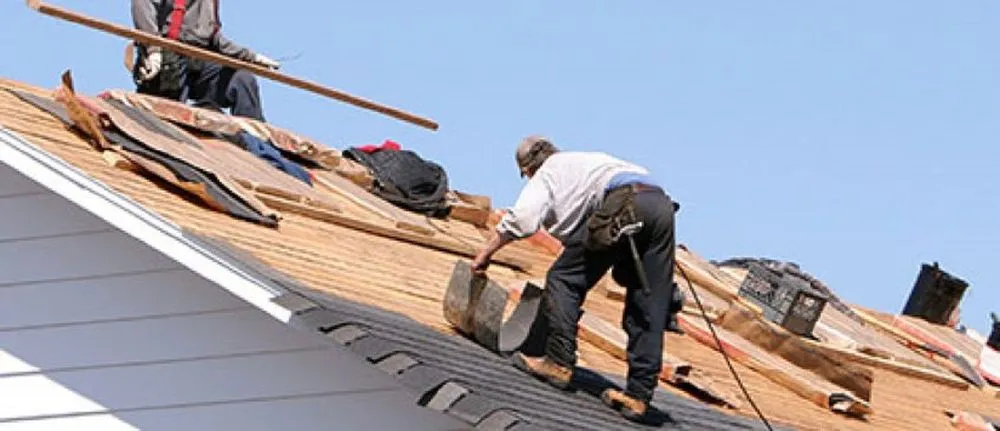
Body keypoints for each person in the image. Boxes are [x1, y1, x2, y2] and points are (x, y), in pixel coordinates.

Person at [472, 135, 678, 422]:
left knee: (564, 279)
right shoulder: (585, 163)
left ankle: (558, 361)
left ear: (530, 168)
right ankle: (638, 395)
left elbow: (524, 219)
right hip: (660, 205)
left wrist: (486, 252)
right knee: (649, 298)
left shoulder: (548, 173)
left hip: (624, 203)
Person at [130, 0, 280, 122]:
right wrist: (153, 49)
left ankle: (254, 143)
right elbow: (142, 5)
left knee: (242, 80)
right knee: (167, 119)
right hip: (169, 58)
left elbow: (214, 38)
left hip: (199, 63)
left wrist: (250, 57)